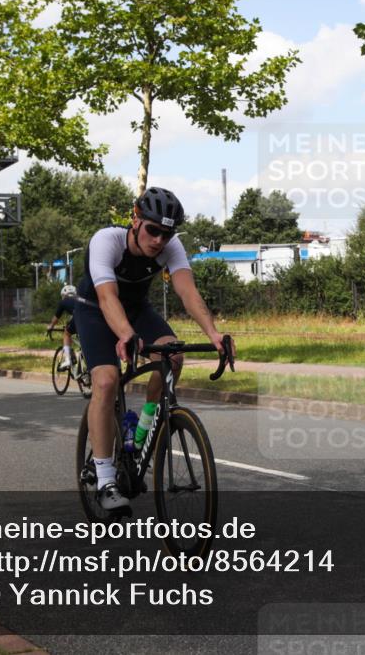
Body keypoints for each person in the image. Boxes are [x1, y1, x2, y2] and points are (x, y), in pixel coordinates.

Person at [75, 187, 235, 511]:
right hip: (94, 310)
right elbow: (107, 297)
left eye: (167, 233)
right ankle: (105, 479)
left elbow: (188, 293)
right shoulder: (107, 241)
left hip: (136, 310)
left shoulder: (170, 247)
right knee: (106, 381)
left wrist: (214, 333)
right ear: (135, 220)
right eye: (153, 230)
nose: (160, 240)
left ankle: (141, 432)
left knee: (172, 356)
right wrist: (126, 334)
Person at [47, 284, 78, 370]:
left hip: (79, 317)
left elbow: (56, 317)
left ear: (64, 295)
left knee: (67, 334)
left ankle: (67, 360)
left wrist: (51, 326)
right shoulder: (79, 299)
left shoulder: (63, 301)